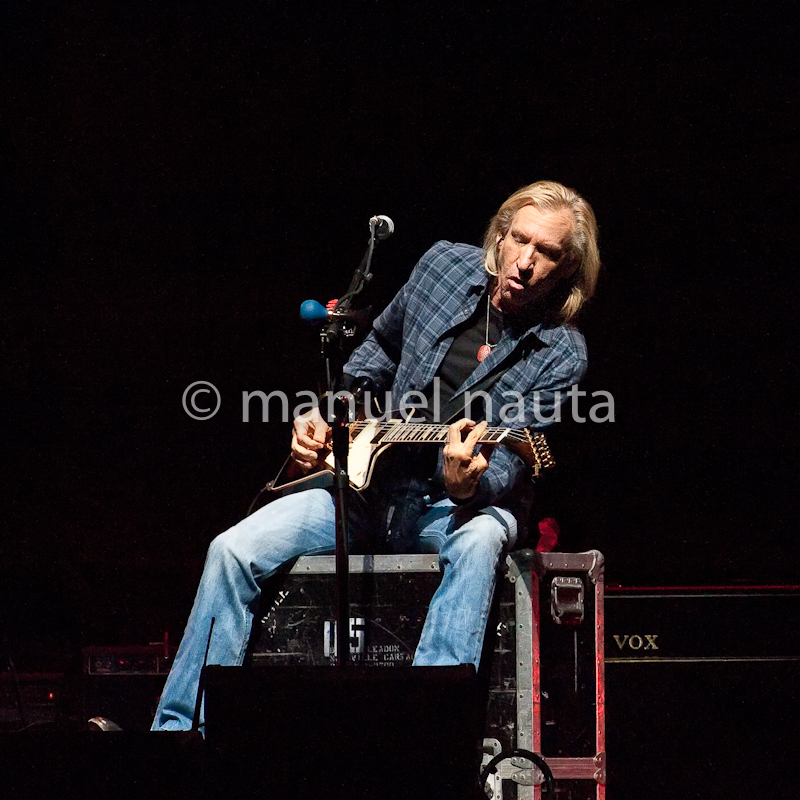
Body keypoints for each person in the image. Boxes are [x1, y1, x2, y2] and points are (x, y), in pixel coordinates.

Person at [152, 180, 600, 731]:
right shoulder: (441, 268)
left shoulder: (562, 352)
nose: (526, 261)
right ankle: (178, 735)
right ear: (500, 235)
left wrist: (468, 485)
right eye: (519, 240)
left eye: (547, 252)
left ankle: (425, 735)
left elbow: (511, 462)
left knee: (484, 538)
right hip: (371, 484)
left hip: (457, 507)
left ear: (566, 269)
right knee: (232, 549)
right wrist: (332, 413)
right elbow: (378, 350)